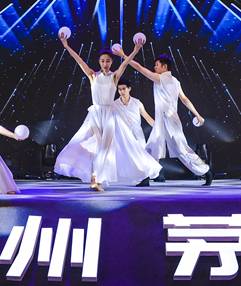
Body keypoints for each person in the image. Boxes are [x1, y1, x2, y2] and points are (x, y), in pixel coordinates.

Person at [55, 34, 162, 191]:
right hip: (95, 114)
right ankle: (93, 177)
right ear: (99, 62)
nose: (105, 64)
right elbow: (79, 61)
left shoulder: (114, 76)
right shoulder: (93, 75)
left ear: (111, 62)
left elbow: (125, 63)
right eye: (102, 61)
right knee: (88, 143)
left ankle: (95, 180)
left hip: (110, 116)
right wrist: (66, 46)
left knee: (106, 148)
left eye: (108, 61)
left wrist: (135, 50)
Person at [125, 53, 213, 186]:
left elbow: (139, 68)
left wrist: (123, 55)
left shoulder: (161, 78)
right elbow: (184, 99)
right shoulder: (175, 81)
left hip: (169, 121)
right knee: (150, 148)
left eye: (157, 65)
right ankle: (146, 178)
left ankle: (206, 171)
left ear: (164, 66)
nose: (154, 67)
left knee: (181, 149)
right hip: (163, 121)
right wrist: (197, 115)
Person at [113, 78, 154, 149]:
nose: (122, 91)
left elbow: (147, 117)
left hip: (138, 136)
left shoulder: (137, 103)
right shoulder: (114, 105)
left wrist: (157, 128)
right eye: (120, 89)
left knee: (142, 155)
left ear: (129, 89)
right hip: (123, 137)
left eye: (124, 89)